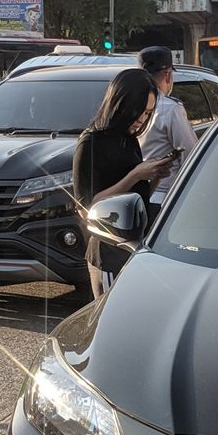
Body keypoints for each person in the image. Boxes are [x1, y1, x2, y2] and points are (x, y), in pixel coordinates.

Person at [72, 69, 173, 299]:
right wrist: (136, 174)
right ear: (120, 103)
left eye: (148, 114)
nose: (141, 120)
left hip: (136, 247)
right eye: (139, 112)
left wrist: (155, 175)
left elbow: (136, 199)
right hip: (109, 251)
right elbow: (87, 208)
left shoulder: (129, 140)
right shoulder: (90, 143)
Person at [137, 46, 198, 195]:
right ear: (168, 75)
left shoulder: (130, 103)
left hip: (136, 191)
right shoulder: (170, 108)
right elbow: (190, 154)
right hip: (166, 195)